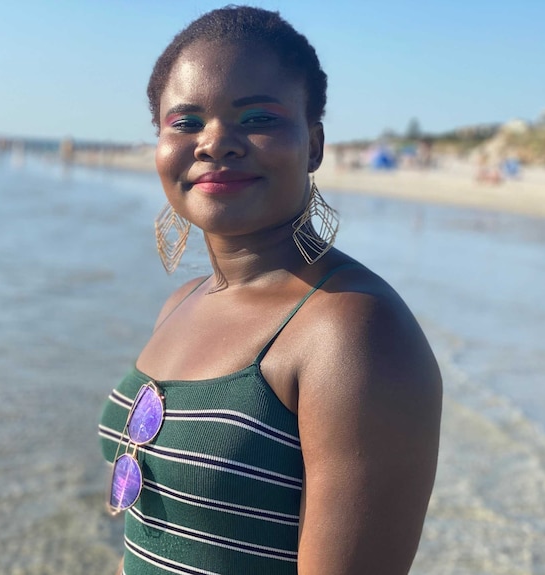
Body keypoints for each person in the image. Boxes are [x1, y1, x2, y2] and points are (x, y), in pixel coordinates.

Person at [98, 6, 442, 575]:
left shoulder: (351, 329)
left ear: (314, 144)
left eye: (256, 117)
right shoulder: (181, 303)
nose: (215, 143)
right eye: (185, 122)